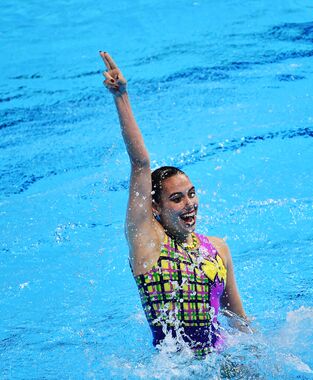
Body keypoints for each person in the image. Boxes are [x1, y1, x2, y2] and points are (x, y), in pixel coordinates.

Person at [99, 51, 249, 355]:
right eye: (177, 198)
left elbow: (239, 321)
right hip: (176, 369)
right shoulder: (148, 246)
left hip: (223, 362)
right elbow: (141, 163)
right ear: (155, 207)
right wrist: (121, 96)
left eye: (191, 194)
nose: (190, 204)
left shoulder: (217, 248)